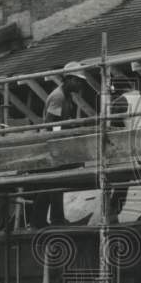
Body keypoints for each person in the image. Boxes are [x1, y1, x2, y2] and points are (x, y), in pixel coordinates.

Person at [31, 62, 88, 228]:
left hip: (57, 144)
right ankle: (49, 220)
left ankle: (50, 219)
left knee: (53, 183)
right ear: (69, 79)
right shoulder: (58, 96)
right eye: (78, 81)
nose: (80, 84)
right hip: (52, 145)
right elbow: (52, 124)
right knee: (52, 183)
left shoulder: (66, 96)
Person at [107, 76, 141, 224]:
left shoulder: (119, 102)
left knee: (121, 179)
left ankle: (112, 212)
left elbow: (113, 129)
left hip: (130, 147)